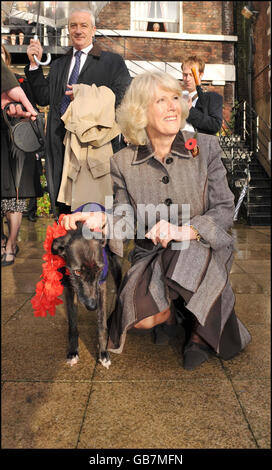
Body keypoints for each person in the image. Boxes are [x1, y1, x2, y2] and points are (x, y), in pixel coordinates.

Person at [61, 70, 251, 371]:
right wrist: (101, 220)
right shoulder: (122, 162)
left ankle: (199, 332)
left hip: (203, 248)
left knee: (185, 255)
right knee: (144, 319)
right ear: (139, 111)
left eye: (175, 98)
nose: (172, 106)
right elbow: (126, 218)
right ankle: (177, 311)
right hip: (153, 255)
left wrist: (186, 230)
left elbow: (225, 209)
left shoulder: (206, 148)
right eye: (160, 100)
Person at [25, 8, 131, 214]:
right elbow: (44, 97)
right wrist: (34, 65)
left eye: (84, 25)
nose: (78, 30)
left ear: (94, 30)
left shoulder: (112, 62)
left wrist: (85, 96)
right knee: (65, 205)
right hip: (60, 143)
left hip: (93, 145)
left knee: (93, 206)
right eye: (73, 25)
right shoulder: (59, 64)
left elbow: (123, 96)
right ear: (68, 30)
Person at [1, 45, 43, 267]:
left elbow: (33, 108)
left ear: (6, 57)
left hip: (16, 145)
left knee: (13, 200)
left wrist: (16, 107)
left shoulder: (18, 80)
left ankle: (11, 244)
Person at [181, 55, 223, 135]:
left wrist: (190, 110)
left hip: (199, 145)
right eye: (185, 75)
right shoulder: (177, 98)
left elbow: (215, 125)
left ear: (200, 75)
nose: (187, 79)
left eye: (191, 75)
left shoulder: (211, 98)